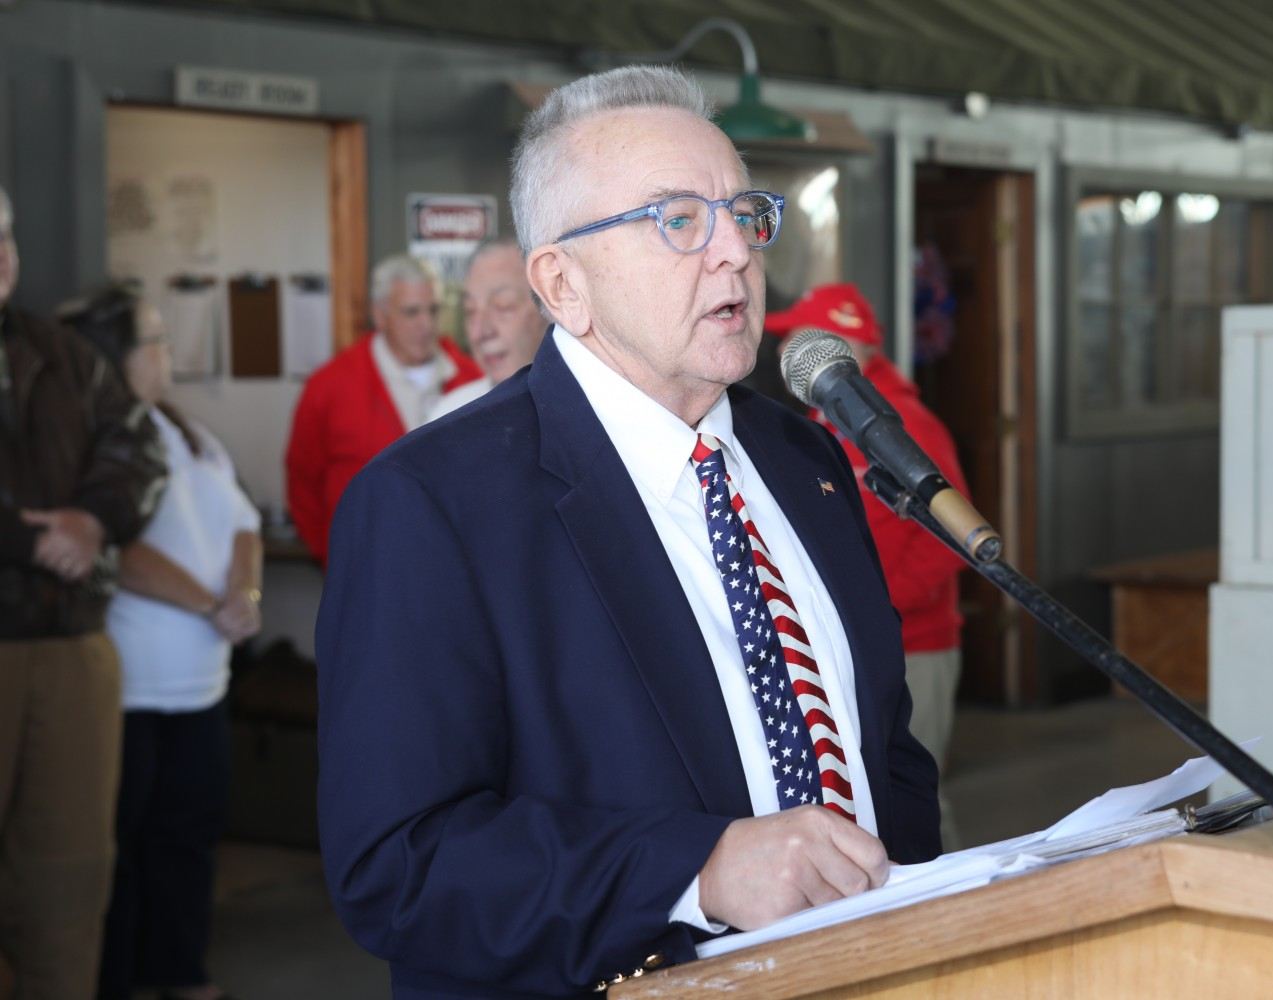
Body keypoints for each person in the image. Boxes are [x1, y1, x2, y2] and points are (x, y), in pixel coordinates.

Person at [316, 66, 939, 998]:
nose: (733, 251)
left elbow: (883, 750)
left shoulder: (801, 461)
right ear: (563, 284)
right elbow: (401, 866)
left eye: (744, 212)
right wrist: (701, 871)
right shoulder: (429, 506)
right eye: (678, 219)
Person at [62, 287, 261, 1000]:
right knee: (119, 852)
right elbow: (118, 549)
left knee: (187, 840)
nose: (166, 351)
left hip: (201, 684)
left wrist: (247, 594)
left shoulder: (184, 430)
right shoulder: (95, 435)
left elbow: (241, 520)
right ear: (117, 356)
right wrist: (211, 603)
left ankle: (180, 974)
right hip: (131, 685)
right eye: (152, 338)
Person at [0, 186, 166, 998]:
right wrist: (33, 539)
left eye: (4, 237)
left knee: (67, 879)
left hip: (71, 650)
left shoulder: (63, 355)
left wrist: (94, 522)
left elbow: (136, 447)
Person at [765, 282, 970, 849]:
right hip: (855, 641)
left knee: (916, 791)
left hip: (917, 642)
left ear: (849, 344)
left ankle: (953, 913)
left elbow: (947, 541)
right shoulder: (817, 420)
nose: (785, 351)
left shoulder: (904, 425)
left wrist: (871, 609)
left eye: (801, 338)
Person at [284, 254, 482, 564]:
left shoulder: (474, 381)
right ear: (380, 315)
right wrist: (333, 557)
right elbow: (302, 480)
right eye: (411, 312)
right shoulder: (329, 386)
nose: (426, 325)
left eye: (433, 310)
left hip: (458, 568)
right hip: (365, 567)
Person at [426, 238, 549, 422]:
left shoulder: (594, 406)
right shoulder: (449, 417)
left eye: (503, 305)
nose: (480, 332)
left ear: (549, 308)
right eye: (469, 310)